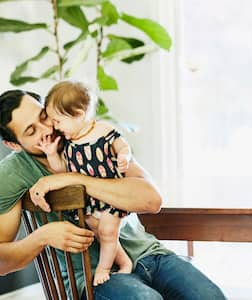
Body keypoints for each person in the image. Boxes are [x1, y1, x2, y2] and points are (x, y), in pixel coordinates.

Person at [0, 88, 227, 300]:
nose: (47, 130)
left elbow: (151, 200)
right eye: (31, 132)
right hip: (91, 279)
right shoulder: (13, 174)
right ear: (14, 144)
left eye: (43, 117)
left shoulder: (91, 134)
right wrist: (43, 237)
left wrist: (74, 179)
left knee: (211, 296)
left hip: (149, 255)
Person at [35, 81, 133, 286]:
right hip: (90, 202)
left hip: (110, 197)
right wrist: (52, 153)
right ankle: (125, 263)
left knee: (107, 232)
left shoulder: (104, 130)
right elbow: (63, 171)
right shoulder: (69, 145)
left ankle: (103, 269)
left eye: (58, 120)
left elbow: (122, 145)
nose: (55, 126)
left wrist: (125, 155)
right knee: (101, 233)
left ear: (79, 113)